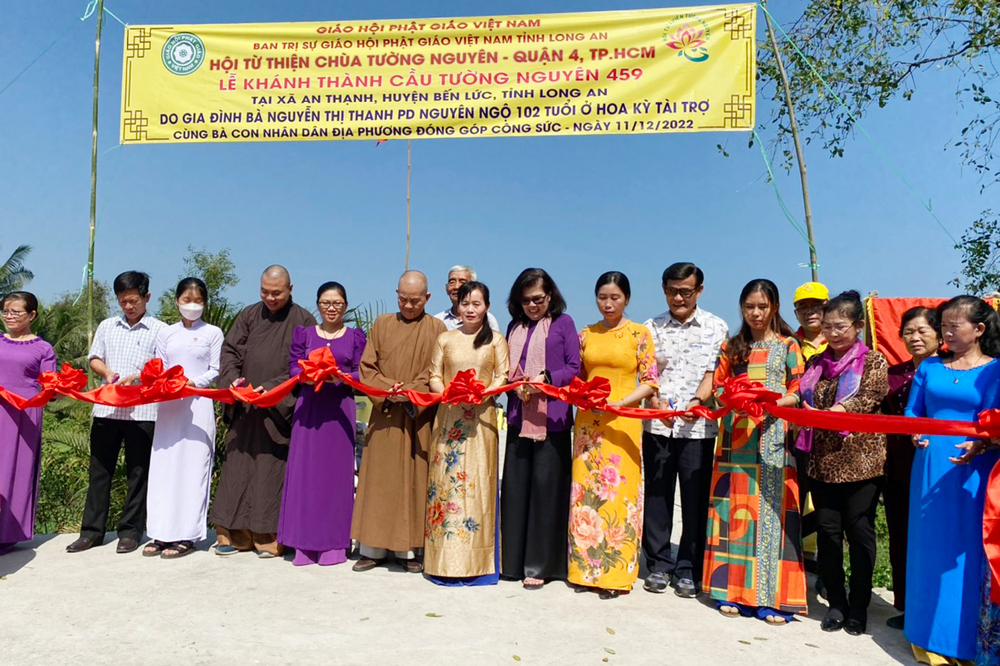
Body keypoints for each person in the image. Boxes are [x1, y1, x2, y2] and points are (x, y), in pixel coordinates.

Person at [704, 279, 807, 624]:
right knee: (734, 515)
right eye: (750, 307)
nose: (756, 313)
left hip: (774, 439)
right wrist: (736, 399)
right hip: (736, 441)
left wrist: (773, 401)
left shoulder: (789, 345)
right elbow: (718, 387)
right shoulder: (731, 347)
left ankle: (772, 598)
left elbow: (798, 388)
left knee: (773, 517)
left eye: (762, 306)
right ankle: (730, 591)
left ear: (774, 307)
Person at [905, 295, 1000, 665]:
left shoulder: (995, 370)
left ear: (979, 329)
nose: (945, 332)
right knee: (928, 549)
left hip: (974, 470)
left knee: (968, 552)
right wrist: (915, 431)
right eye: (942, 325)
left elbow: (993, 419)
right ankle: (923, 634)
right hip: (931, 466)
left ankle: (963, 641)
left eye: (953, 326)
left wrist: (981, 443)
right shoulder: (930, 366)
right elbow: (913, 411)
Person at [798, 291, 889, 636]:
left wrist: (834, 413)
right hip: (823, 461)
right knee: (828, 533)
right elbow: (802, 395)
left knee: (859, 530)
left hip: (862, 461)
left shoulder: (873, 361)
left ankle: (859, 605)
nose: (833, 333)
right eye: (828, 326)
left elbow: (869, 397)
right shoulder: (816, 363)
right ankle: (836, 601)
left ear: (858, 326)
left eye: (841, 326)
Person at [210, 265, 316, 558]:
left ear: (290, 289)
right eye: (265, 292)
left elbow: (304, 366)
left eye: (277, 293)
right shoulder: (248, 315)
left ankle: (269, 538)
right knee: (237, 470)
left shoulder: (303, 321)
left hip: (276, 412)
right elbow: (230, 351)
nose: (270, 298)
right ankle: (233, 535)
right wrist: (233, 381)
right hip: (245, 409)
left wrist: (271, 389)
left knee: (270, 472)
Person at [568, 271, 658, 600]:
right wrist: (582, 395)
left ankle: (615, 574)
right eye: (602, 297)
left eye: (615, 298)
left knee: (619, 495)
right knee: (585, 496)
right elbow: (577, 376)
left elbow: (650, 382)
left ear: (627, 299)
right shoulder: (585, 334)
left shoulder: (639, 334)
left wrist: (621, 402)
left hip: (623, 421)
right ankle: (583, 570)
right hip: (588, 424)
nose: (608, 304)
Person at [641, 262, 728, 598]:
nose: (678, 298)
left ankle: (689, 568)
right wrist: (656, 402)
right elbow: (647, 374)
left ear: (699, 291)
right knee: (657, 496)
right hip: (658, 425)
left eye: (685, 292)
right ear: (663, 290)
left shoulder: (716, 327)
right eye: (672, 291)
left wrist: (697, 401)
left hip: (698, 428)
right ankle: (658, 564)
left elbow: (713, 374)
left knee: (695, 500)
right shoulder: (650, 328)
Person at [351, 271, 446, 573]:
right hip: (386, 414)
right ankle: (372, 548)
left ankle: (409, 550)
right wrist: (388, 390)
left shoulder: (437, 329)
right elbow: (367, 368)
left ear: (427, 298)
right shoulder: (381, 324)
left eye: (415, 301)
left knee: (413, 480)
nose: (408, 305)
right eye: (403, 299)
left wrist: (409, 393)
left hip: (417, 417)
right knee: (379, 481)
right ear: (396, 294)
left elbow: (437, 372)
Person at [67, 271, 167, 555]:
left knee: (138, 472)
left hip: (143, 412)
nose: (128, 306)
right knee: (99, 471)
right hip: (107, 409)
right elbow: (94, 358)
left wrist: (138, 377)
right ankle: (91, 532)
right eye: (123, 301)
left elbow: (163, 367)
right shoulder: (107, 326)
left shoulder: (161, 330)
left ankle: (130, 532)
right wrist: (108, 373)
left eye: (134, 300)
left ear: (147, 297)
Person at [424, 282, 510, 585]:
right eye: (465, 304)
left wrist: (479, 394)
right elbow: (434, 375)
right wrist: (448, 393)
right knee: (445, 486)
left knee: (477, 486)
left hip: (481, 421)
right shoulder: (445, 339)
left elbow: (502, 376)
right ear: (457, 306)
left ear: (487, 307)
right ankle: (442, 561)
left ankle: (479, 563)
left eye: (477, 304)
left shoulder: (496, 340)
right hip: (448, 418)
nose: (470, 309)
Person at [500, 268, 580, 589]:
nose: (532, 306)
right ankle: (512, 562)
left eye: (538, 299)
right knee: (516, 491)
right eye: (526, 300)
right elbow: (507, 368)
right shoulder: (514, 327)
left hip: (553, 420)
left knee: (547, 493)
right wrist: (517, 385)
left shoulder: (564, 323)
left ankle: (540, 565)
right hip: (518, 416)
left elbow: (573, 367)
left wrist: (545, 379)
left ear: (550, 296)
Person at [278, 281, 367, 566]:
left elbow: (361, 371)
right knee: (306, 475)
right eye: (326, 303)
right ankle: (303, 543)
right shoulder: (304, 334)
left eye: (337, 303)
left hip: (339, 409)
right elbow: (294, 366)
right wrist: (306, 374)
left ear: (345, 305)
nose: (331, 308)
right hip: (309, 410)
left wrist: (341, 376)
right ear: (318, 305)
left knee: (335, 477)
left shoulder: (354, 337)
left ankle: (334, 543)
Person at [142, 278, 223, 559]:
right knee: (164, 469)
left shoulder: (213, 333)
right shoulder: (166, 333)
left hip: (198, 405)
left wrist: (191, 384)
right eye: (187, 300)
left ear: (205, 303)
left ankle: (187, 535)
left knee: (192, 469)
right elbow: (160, 367)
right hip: (169, 407)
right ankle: (160, 533)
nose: (192, 305)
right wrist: (168, 385)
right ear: (177, 301)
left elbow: (216, 369)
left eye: (198, 300)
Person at [880, 306, 940, 630]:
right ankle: (906, 605)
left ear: (939, 335)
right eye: (908, 332)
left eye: (922, 331)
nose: (915, 337)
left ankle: (934, 607)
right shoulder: (893, 374)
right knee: (901, 537)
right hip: (899, 468)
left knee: (935, 539)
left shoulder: (950, 370)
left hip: (939, 468)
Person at [0, 292, 56, 554]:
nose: (9, 316)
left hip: (25, 413)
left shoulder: (43, 348)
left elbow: (49, 383)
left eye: (16, 312)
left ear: (32, 315)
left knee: (16, 470)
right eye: (5, 311)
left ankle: (7, 534)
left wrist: (59, 388)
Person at [434, 265, 500, 331]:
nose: (456, 287)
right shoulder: (438, 320)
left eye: (462, 282)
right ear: (446, 287)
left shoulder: (488, 319)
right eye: (452, 282)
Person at [792, 281, 829, 361]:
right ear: (796, 313)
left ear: (828, 308)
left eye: (816, 305)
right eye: (803, 307)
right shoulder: (790, 344)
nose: (809, 312)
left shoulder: (839, 340)